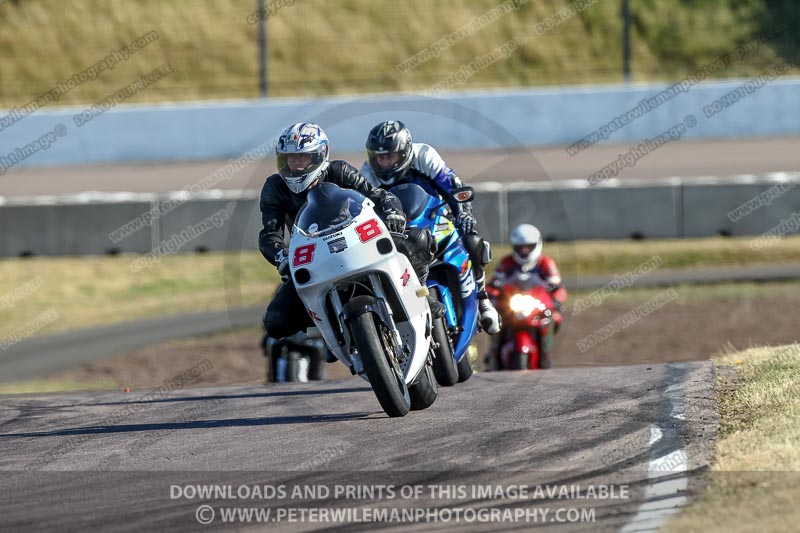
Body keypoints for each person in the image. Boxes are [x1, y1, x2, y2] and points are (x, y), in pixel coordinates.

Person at [259, 122, 443, 346]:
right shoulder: (274, 187)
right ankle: (328, 331)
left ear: (319, 156)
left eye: (303, 158)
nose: (295, 165)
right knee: (275, 322)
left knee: (417, 239)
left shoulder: (339, 171)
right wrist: (281, 258)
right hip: (315, 254)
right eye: (290, 158)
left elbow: (380, 196)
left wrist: (393, 212)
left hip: (357, 240)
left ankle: (419, 292)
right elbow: (270, 235)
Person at [360, 120, 501, 334]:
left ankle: (482, 299)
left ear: (405, 151)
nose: (385, 163)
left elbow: (452, 186)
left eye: (391, 156)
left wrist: (463, 213)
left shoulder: (424, 155)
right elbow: (363, 212)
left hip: (435, 217)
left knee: (471, 239)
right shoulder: (367, 174)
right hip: (398, 235)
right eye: (380, 157)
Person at [489, 223, 567, 328]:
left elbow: (557, 287)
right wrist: (492, 300)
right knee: (494, 321)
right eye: (520, 247)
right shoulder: (506, 262)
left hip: (537, 305)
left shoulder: (545, 262)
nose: (524, 250)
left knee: (556, 318)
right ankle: (497, 342)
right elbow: (493, 285)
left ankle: (545, 342)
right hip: (511, 305)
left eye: (529, 247)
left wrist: (556, 301)